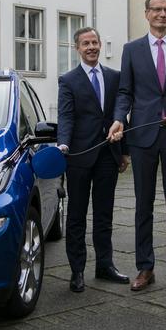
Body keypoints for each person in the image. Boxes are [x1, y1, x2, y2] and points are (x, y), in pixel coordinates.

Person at [108, 0, 166, 293]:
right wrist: (120, 118)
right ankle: (145, 268)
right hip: (142, 136)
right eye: (156, 10)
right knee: (143, 206)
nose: (162, 14)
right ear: (146, 13)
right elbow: (125, 92)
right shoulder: (131, 49)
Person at [57, 27, 131, 293]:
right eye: (86, 43)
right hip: (77, 157)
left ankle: (105, 265)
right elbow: (66, 116)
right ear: (77, 48)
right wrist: (62, 144)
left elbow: (121, 115)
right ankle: (77, 271)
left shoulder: (115, 77)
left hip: (108, 156)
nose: (91, 47)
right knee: (76, 216)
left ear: (101, 45)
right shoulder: (68, 80)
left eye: (95, 42)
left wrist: (124, 151)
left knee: (104, 214)